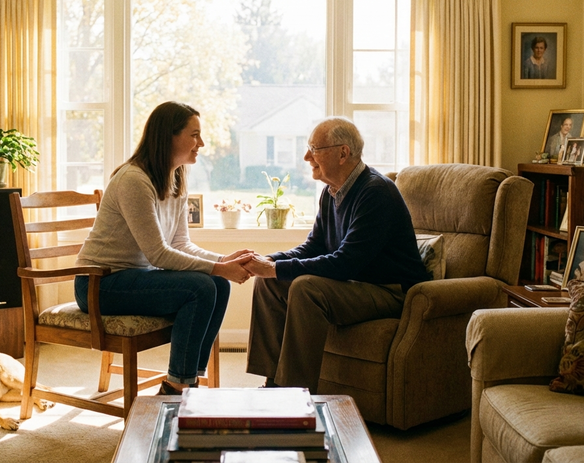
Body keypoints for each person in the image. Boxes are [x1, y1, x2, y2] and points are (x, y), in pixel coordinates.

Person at [75, 101, 255, 394]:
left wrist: (223, 261)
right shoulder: (133, 179)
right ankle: (177, 387)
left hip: (134, 278)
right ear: (168, 136)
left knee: (219, 284)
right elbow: (158, 254)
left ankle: (188, 380)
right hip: (99, 284)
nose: (201, 143)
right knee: (201, 287)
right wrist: (219, 267)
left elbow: (180, 243)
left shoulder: (176, 177)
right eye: (194, 135)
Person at [242, 116, 430, 393]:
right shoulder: (331, 193)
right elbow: (313, 247)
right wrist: (270, 261)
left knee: (306, 288)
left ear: (343, 153)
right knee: (268, 282)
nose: (307, 157)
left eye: (314, 149)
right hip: (356, 285)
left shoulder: (375, 192)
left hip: (389, 290)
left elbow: (346, 263)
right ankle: (272, 381)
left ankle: (294, 392)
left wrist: (276, 268)